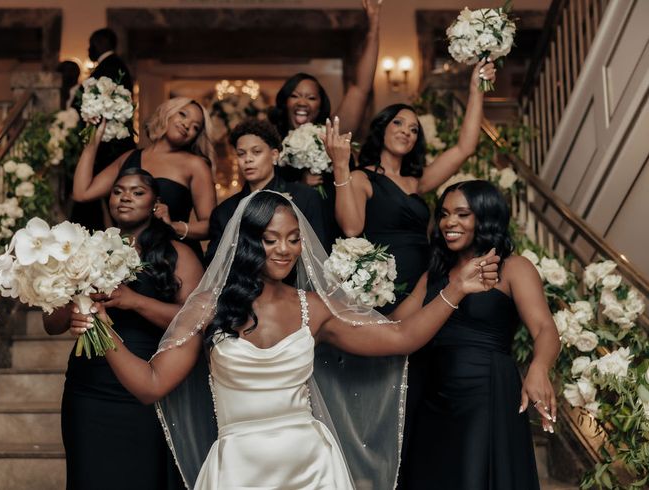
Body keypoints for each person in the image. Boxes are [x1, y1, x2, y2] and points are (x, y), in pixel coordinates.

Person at [74, 190, 501, 489]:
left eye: (294, 239)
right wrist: (99, 326)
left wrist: (456, 289)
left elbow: (403, 337)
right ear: (246, 243)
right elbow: (151, 385)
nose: (284, 250)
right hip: (238, 470)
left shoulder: (314, 307)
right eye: (271, 239)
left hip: (311, 467)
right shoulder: (208, 305)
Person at [326, 60, 496, 478]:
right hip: (382, 291)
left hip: (426, 285)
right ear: (382, 128)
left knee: (419, 385)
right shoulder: (365, 177)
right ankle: (375, 473)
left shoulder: (417, 183)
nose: (407, 131)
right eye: (399, 123)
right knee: (383, 388)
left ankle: (414, 472)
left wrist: (476, 88)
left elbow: (463, 148)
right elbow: (350, 227)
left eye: (414, 128)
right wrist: (341, 167)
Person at [44, 167, 204, 490]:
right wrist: (78, 304)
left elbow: (194, 322)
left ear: (155, 204)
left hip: (143, 386)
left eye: (137, 192)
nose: (125, 198)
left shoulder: (177, 255)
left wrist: (135, 301)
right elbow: (51, 324)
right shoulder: (85, 251)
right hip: (88, 389)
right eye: (118, 191)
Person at [400, 180, 560, 489]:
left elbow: (545, 328)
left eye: (462, 214)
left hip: (485, 395)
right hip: (431, 395)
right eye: (445, 214)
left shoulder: (513, 268)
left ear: (485, 218)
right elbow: (394, 327)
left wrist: (539, 368)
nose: (449, 222)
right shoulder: (434, 275)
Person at [270, 0, 383, 249]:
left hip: (333, 230)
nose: (303, 102)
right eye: (295, 95)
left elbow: (360, 88)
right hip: (288, 239)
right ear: (285, 101)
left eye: (311, 97)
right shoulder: (270, 140)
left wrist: (373, 26)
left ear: (321, 106)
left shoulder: (331, 133)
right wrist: (299, 186)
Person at [72, 97, 216, 258]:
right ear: (166, 113)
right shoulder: (130, 157)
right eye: (183, 114)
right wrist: (93, 139)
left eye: (195, 127)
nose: (187, 125)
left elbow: (211, 225)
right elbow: (81, 193)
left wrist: (173, 227)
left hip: (171, 258)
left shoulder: (196, 165)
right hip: (127, 256)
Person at [205, 119, 326, 264]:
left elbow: (317, 257)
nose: (248, 159)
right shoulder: (224, 212)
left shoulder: (306, 197)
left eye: (256, 152)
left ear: (274, 155)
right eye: (241, 154)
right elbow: (215, 266)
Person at [70, 28, 136, 231]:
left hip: (110, 149)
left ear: (100, 42)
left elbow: (105, 103)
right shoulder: (111, 65)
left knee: (112, 204)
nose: (88, 49)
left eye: (90, 43)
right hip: (105, 147)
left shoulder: (111, 66)